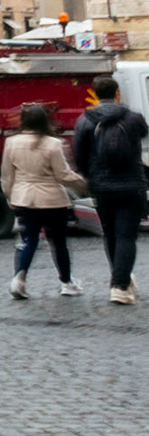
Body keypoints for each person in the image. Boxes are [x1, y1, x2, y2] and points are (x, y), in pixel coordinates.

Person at [72, 77, 148, 304]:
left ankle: (119, 277)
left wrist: (91, 177)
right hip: (131, 184)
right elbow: (144, 133)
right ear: (117, 93)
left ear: (95, 94)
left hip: (101, 186)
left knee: (110, 233)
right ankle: (120, 285)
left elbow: (79, 156)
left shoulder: (85, 119)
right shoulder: (133, 118)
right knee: (126, 235)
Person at [1, 102, 85, 299]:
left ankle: (19, 279)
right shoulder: (54, 144)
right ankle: (66, 282)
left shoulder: (11, 143)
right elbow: (63, 175)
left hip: (23, 198)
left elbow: (7, 175)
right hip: (52, 199)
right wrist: (82, 183)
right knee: (59, 243)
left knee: (28, 240)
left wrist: (9, 195)